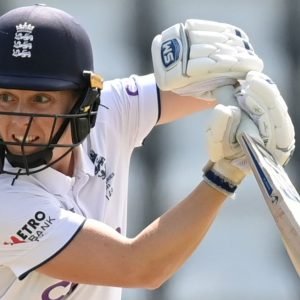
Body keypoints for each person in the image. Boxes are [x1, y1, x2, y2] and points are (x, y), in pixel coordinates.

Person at [0, 4, 295, 300]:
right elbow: (140, 266)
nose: (18, 121)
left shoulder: (109, 111)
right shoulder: (6, 203)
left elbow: (210, 83)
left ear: (83, 101)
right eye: (6, 97)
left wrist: (245, 89)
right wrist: (226, 173)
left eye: (40, 99)